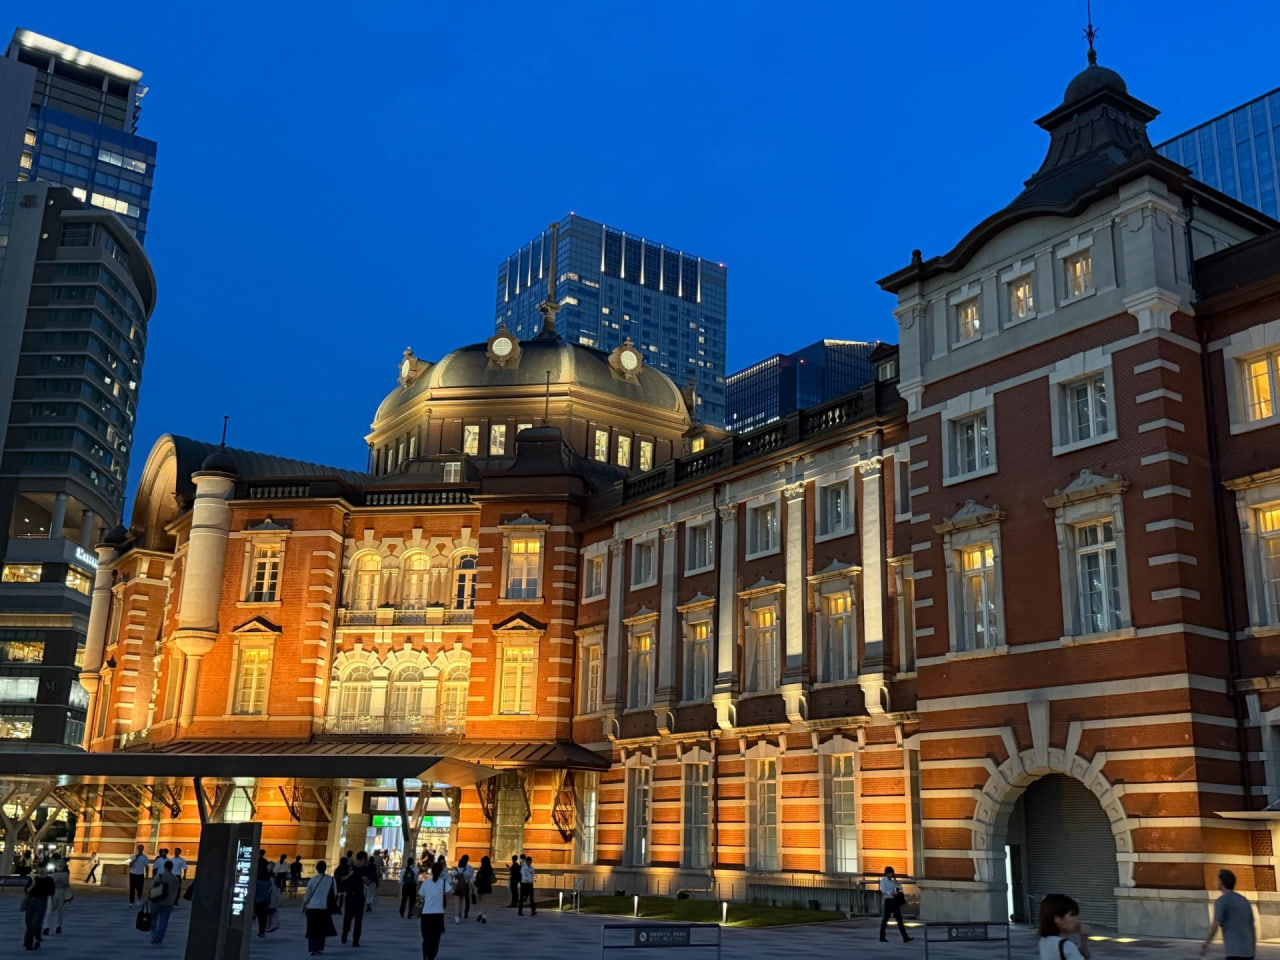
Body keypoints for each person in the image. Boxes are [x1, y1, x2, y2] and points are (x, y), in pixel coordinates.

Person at [1202, 869, 1256, 960]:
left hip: (1234, 952)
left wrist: (1206, 943)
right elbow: (1252, 927)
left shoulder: (1221, 901)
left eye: (1218, 880)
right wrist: (1253, 948)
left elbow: (1215, 924)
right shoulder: (1244, 901)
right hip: (1248, 952)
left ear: (1221, 882)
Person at [1038, 893, 1091, 959]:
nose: (1076, 919)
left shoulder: (1043, 941)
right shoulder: (1066, 946)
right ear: (1057, 919)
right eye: (1072, 915)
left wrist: (1083, 939)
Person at [302, 860, 338, 956]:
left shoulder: (312, 880)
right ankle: (320, 947)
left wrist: (304, 904)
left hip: (313, 907)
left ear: (316, 869)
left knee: (312, 929)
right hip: (325, 907)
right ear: (325, 868)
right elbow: (334, 894)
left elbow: (308, 895)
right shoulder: (331, 880)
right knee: (322, 929)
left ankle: (312, 948)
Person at [418, 857, 450, 960]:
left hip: (426, 913)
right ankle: (432, 955)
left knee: (426, 937)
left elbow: (421, 895)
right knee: (436, 938)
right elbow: (451, 891)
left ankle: (426, 954)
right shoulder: (444, 882)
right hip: (438, 914)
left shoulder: (426, 882)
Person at [340, 851, 372, 945]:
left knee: (358, 919)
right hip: (350, 895)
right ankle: (345, 934)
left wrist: (365, 879)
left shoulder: (365, 869)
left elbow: (368, 882)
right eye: (365, 859)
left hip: (359, 896)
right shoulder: (350, 868)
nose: (365, 862)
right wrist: (350, 875)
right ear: (363, 858)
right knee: (348, 918)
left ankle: (355, 940)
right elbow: (342, 878)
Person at [22, 868, 55, 950]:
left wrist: (54, 904)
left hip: (42, 901)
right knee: (29, 924)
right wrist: (33, 884)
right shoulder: (34, 878)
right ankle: (30, 943)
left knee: (36, 923)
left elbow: (51, 892)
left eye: (43, 868)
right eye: (40, 868)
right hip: (31, 902)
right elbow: (27, 890)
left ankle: (35, 940)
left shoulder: (49, 880)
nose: (41, 870)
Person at [878, 866, 912, 943]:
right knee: (885, 919)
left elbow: (899, 888)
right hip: (888, 900)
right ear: (887, 873)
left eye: (892, 873)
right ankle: (882, 936)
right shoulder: (883, 880)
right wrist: (892, 892)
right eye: (890, 873)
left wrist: (898, 887)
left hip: (894, 900)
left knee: (899, 919)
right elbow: (883, 890)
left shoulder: (893, 881)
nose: (891, 875)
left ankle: (905, 937)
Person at [148, 860, 178, 945]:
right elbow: (176, 890)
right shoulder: (174, 878)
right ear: (172, 868)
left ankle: (155, 935)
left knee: (153, 918)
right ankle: (160, 937)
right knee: (164, 921)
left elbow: (151, 886)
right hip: (168, 902)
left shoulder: (160, 876)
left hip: (157, 901)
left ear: (165, 867)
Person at [43, 857, 71, 935]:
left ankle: (58, 926)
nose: (60, 866)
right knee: (49, 910)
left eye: (62, 864)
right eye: (59, 864)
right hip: (52, 892)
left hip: (60, 892)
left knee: (60, 911)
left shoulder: (65, 874)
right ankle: (46, 927)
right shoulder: (52, 874)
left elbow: (66, 884)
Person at [254, 850, 274, 939]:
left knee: (256, 916)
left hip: (256, 900)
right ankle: (262, 932)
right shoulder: (268, 881)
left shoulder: (256, 881)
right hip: (264, 901)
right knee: (263, 917)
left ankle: (258, 930)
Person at [474, 855, 494, 924]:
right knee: (485, 902)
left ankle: (480, 913)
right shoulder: (490, 869)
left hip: (481, 886)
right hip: (487, 887)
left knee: (480, 902)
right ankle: (484, 916)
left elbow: (477, 878)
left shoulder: (481, 869)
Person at [453, 854, 473, 924]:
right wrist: (472, 888)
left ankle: (458, 914)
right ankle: (465, 913)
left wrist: (454, 885)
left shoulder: (456, 869)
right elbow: (470, 880)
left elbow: (454, 878)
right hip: (465, 886)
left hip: (457, 886)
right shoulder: (469, 869)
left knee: (458, 902)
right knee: (465, 900)